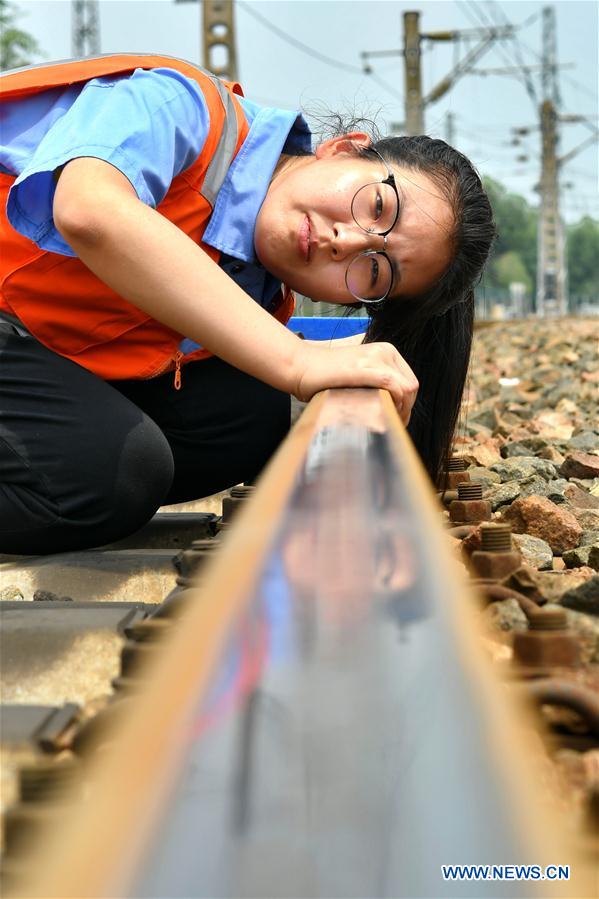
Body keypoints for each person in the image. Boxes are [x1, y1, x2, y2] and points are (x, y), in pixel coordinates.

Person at [0, 55, 495, 555]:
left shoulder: (258, 285)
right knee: (109, 473)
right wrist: (296, 360)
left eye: (374, 270)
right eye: (377, 207)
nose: (346, 242)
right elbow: (88, 211)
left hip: (23, 339)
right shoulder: (182, 105)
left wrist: (337, 357)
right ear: (344, 149)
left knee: (254, 414)